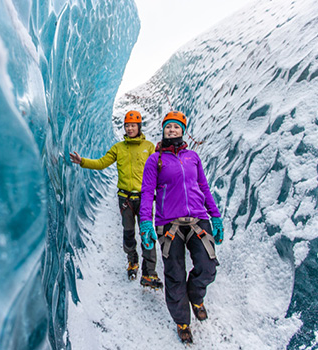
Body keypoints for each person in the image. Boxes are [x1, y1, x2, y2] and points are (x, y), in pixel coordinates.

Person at [139, 111, 225, 344]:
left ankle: (196, 297)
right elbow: (147, 193)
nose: (172, 130)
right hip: (169, 224)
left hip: (198, 219)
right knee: (175, 275)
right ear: (163, 130)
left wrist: (215, 216)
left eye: (176, 127)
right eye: (168, 127)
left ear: (183, 131)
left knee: (207, 267)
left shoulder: (193, 157)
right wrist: (146, 222)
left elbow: (204, 187)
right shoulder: (154, 160)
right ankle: (182, 320)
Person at [69, 110, 163, 289]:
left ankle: (149, 272)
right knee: (128, 232)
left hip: (144, 198)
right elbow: (102, 163)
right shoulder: (118, 148)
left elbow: (160, 169)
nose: (129, 128)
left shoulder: (149, 147)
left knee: (146, 233)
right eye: (127, 125)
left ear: (139, 126)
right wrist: (83, 161)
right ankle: (132, 261)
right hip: (125, 198)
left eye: (133, 125)